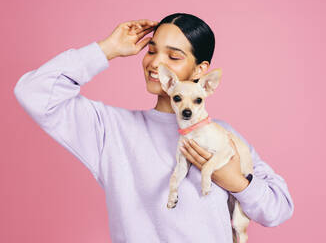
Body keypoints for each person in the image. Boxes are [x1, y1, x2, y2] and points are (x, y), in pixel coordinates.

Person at [14, 13, 294, 243]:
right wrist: (107, 49)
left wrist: (234, 181)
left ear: (200, 71)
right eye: (151, 50)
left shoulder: (222, 135)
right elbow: (33, 92)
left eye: (173, 56)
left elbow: (278, 208)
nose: (155, 62)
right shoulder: (111, 129)